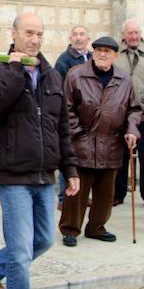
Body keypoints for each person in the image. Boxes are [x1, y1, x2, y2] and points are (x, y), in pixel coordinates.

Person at [0, 12, 79, 289]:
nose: (35, 39)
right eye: (29, 32)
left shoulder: (51, 75)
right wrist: (16, 71)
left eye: (40, 34)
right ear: (14, 33)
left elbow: (62, 127)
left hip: (45, 175)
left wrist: (70, 169)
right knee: (20, 250)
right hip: (13, 173)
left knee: (44, 240)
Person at [59, 36, 141, 247]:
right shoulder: (76, 75)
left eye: (107, 51)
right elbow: (66, 108)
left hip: (112, 143)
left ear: (115, 55)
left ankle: (96, 227)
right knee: (77, 190)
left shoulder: (124, 79)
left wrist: (132, 130)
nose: (102, 54)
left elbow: (134, 109)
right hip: (82, 142)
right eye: (98, 50)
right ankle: (70, 228)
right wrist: (78, 133)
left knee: (105, 194)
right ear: (92, 52)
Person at [113, 18, 144, 209]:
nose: (133, 36)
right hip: (122, 116)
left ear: (140, 34)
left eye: (136, 32)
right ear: (123, 34)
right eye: (129, 33)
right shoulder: (115, 54)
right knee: (121, 157)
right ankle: (118, 193)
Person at [54, 25, 91, 208]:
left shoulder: (92, 58)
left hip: (90, 117)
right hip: (70, 115)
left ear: (88, 38)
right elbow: (59, 89)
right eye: (75, 34)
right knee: (68, 155)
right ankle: (63, 198)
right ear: (70, 38)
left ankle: (83, 194)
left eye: (82, 34)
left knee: (84, 157)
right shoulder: (64, 61)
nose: (78, 38)